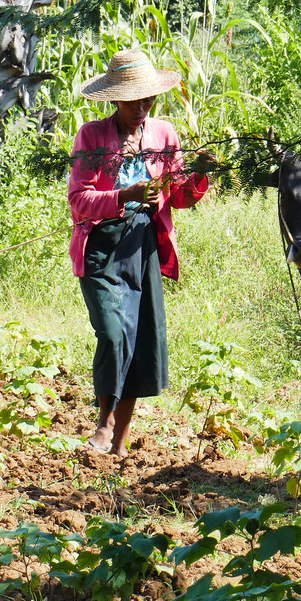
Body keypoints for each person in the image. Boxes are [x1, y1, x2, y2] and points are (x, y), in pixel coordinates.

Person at [68, 48, 212, 455]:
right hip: (102, 246)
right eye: (133, 100)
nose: (142, 108)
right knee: (114, 333)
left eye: (147, 99)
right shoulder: (92, 136)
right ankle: (104, 423)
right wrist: (124, 195)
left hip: (143, 245)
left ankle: (120, 439)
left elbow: (180, 195)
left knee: (139, 335)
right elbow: (79, 199)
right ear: (115, 99)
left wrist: (199, 173)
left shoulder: (163, 135)